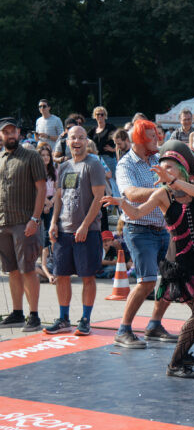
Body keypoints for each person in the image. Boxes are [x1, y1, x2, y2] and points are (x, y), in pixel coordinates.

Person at [102, 139, 194, 378]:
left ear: (181, 169)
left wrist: (174, 179)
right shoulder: (163, 194)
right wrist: (122, 204)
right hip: (181, 264)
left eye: (169, 166)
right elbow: (138, 212)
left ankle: (186, 349)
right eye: (162, 166)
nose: (163, 169)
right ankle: (175, 364)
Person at [111, 119, 176, 349]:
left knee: (169, 279)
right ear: (139, 139)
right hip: (139, 230)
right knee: (147, 282)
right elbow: (131, 193)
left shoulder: (158, 159)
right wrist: (165, 190)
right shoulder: (126, 164)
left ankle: (154, 325)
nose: (157, 139)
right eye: (152, 136)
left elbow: (176, 181)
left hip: (162, 229)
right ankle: (123, 329)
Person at [45, 126, 106, 336]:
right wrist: (53, 223)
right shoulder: (64, 167)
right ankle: (63, 319)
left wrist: (85, 225)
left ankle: (86, 320)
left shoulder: (94, 164)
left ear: (86, 140)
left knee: (88, 276)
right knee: (61, 275)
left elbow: (99, 198)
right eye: (73, 138)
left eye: (81, 137)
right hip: (64, 231)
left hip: (88, 232)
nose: (77, 141)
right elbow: (59, 198)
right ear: (67, 141)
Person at [0, 117, 46, 331]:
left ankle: (34, 315)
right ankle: (17, 313)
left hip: (24, 222)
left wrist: (35, 219)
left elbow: (42, 189)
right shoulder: (0, 158)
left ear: (18, 133)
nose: (10, 135)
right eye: (5, 132)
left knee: (28, 269)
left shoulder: (31, 156)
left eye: (13, 131)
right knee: (12, 270)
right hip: (4, 223)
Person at [87, 106, 117, 177]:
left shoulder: (110, 127)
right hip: (96, 158)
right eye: (98, 114)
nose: (100, 116)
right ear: (95, 116)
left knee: (112, 180)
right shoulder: (93, 130)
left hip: (108, 158)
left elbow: (120, 138)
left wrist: (113, 149)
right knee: (98, 178)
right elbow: (85, 139)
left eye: (102, 114)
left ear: (105, 116)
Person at [38, 146, 57, 249]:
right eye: (43, 155)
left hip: (51, 201)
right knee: (36, 228)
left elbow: (58, 188)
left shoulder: (53, 170)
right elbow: (35, 188)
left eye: (47, 155)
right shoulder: (36, 170)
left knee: (48, 228)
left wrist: (51, 202)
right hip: (39, 200)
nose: (46, 157)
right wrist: (45, 202)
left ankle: (47, 253)